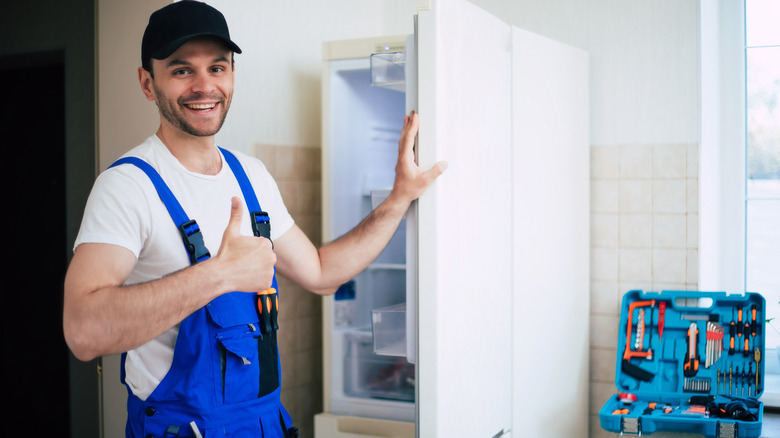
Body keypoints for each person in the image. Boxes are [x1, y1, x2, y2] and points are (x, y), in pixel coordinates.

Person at [62, 1, 446, 437]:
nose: (204, 86)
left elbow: (321, 274)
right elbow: (83, 331)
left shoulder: (251, 177)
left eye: (218, 68)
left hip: (263, 425)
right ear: (148, 83)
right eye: (182, 70)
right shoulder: (128, 186)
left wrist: (400, 196)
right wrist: (219, 275)